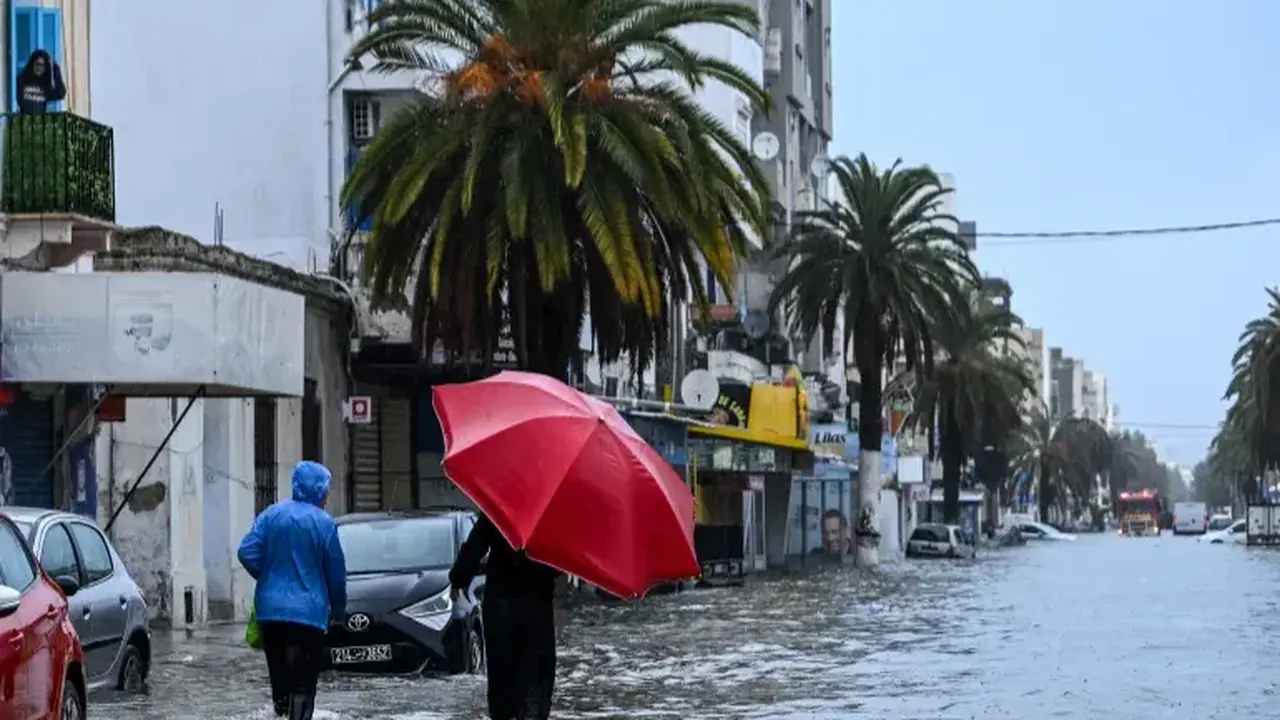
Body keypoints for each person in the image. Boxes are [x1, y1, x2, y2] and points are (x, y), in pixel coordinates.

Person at [238, 461, 347, 720]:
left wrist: (267, 576)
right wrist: (339, 613)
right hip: (308, 616)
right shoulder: (325, 524)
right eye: (326, 490)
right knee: (303, 685)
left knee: (280, 685)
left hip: (271, 614)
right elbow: (336, 577)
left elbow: (246, 551)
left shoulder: (271, 515)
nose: (327, 496)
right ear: (319, 490)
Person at [450, 513, 561, 720]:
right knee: (536, 680)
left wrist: (458, 579)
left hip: (501, 608)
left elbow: (475, 546)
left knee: (503, 679)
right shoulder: (552, 516)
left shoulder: (501, 506)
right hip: (536, 608)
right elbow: (559, 564)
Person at [16, 50, 65, 115]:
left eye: (43, 66)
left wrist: (55, 68)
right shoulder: (22, 79)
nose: (39, 68)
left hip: (39, 122)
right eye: (37, 64)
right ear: (32, 64)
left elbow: (61, 93)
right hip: (24, 121)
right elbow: (19, 101)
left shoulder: (45, 85)